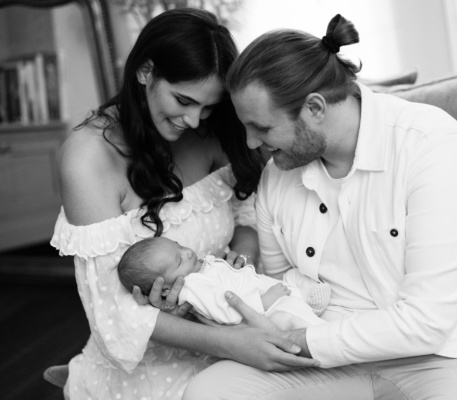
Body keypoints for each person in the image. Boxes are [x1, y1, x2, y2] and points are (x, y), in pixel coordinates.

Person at [183, 14, 457, 400]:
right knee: (210, 391)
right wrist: (205, 298)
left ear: (315, 108)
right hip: (323, 362)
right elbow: (279, 291)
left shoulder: (433, 146)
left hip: (451, 352)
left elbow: (427, 323)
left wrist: (299, 338)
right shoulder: (277, 177)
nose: (250, 144)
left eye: (263, 128)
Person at [50, 8, 318, 400]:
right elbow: (113, 311)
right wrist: (232, 342)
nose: (194, 121)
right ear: (145, 71)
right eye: (183, 100)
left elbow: (244, 207)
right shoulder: (88, 158)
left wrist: (238, 260)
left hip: (233, 323)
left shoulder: (210, 129)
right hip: (153, 366)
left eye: (208, 106)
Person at [117, 236, 330, 329]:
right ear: (165, 288)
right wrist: (264, 301)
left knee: (293, 278)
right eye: (180, 260)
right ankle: (321, 332)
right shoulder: (192, 287)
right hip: (262, 310)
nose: (188, 252)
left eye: (179, 245)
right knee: (290, 314)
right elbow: (227, 312)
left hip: (261, 286)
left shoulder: (197, 267)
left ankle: (307, 301)